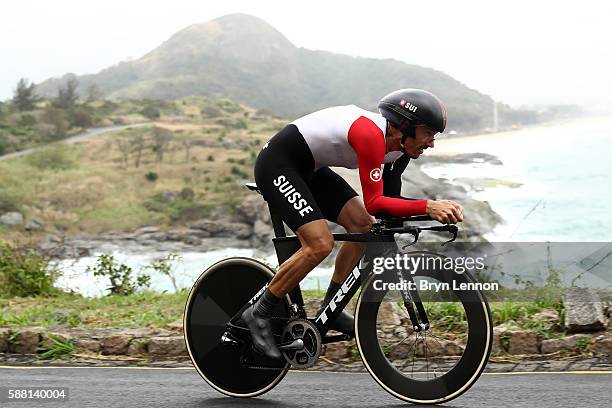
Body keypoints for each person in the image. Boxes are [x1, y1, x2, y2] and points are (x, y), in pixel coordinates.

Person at [242, 89, 464, 358]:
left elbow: (389, 206)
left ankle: (330, 309)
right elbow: (375, 202)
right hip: (278, 164)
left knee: (363, 227)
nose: (431, 143)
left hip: (311, 169)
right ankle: (259, 312)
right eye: (428, 133)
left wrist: (429, 215)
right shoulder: (370, 134)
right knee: (319, 244)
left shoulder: (399, 151)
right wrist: (428, 206)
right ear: (403, 127)